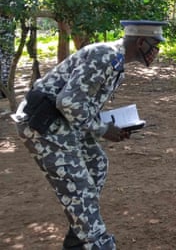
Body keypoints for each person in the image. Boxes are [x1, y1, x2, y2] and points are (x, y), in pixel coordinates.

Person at [12, 20, 167, 250]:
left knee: (97, 165)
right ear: (141, 42)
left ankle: (78, 237)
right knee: (80, 187)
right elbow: (68, 102)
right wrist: (103, 130)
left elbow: (85, 103)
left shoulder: (116, 63)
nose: (156, 52)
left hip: (64, 121)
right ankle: (95, 242)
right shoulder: (105, 56)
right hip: (43, 124)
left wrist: (111, 126)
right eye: (154, 45)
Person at [0, 12, 15, 99]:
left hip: (7, 36)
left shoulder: (11, 0)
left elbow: (11, 13)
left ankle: (5, 91)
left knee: (7, 64)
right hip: (6, 35)